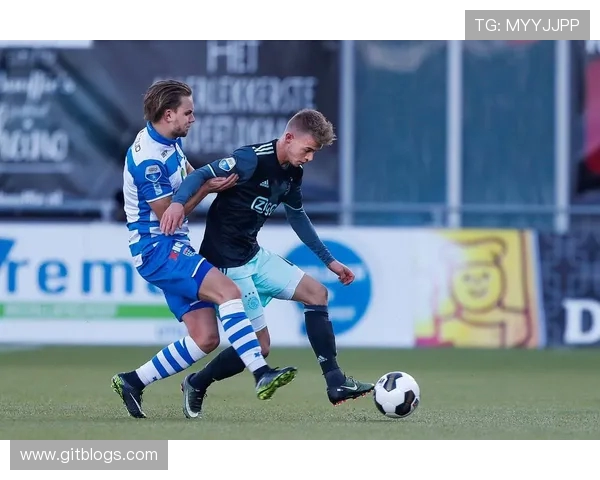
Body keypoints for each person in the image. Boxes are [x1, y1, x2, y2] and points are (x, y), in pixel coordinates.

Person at [159, 108, 374, 419]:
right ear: (289, 138)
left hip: (253, 255)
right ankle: (197, 382)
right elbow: (199, 174)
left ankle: (335, 382)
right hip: (227, 265)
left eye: (314, 152)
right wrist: (178, 204)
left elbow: (297, 216)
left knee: (317, 294)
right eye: (308, 150)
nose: (310, 158)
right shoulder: (250, 159)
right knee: (260, 348)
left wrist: (329, 261)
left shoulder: (293, 172)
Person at [111, 80, 297, 419]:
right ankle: (260, 372)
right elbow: (170, 216)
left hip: (171, 247)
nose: (193, 119)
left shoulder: (167, 140)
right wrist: (208, 188)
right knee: (229, 291)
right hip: (158, 250)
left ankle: (133, 381)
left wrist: (210, 183)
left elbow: (189, 178)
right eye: (188, 113)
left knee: (206, 337)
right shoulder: (149, 161)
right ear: (169, 114)